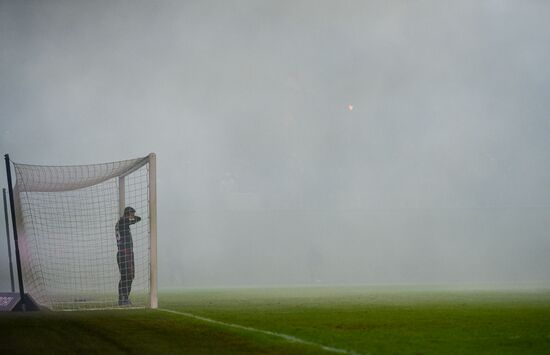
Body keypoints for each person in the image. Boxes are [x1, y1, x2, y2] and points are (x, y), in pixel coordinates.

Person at [115, 206, 141, 305]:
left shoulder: (121, 223)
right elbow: (138, 219)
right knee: (127, 276)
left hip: (124, 253)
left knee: (127, 276)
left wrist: (132, 217)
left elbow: (137, 219)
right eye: (132, 214)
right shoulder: (123, 222)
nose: (133, 216)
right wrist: (132, 217)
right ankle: (123, 298)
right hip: (125, 253)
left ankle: (123, 298)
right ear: (128, 214)